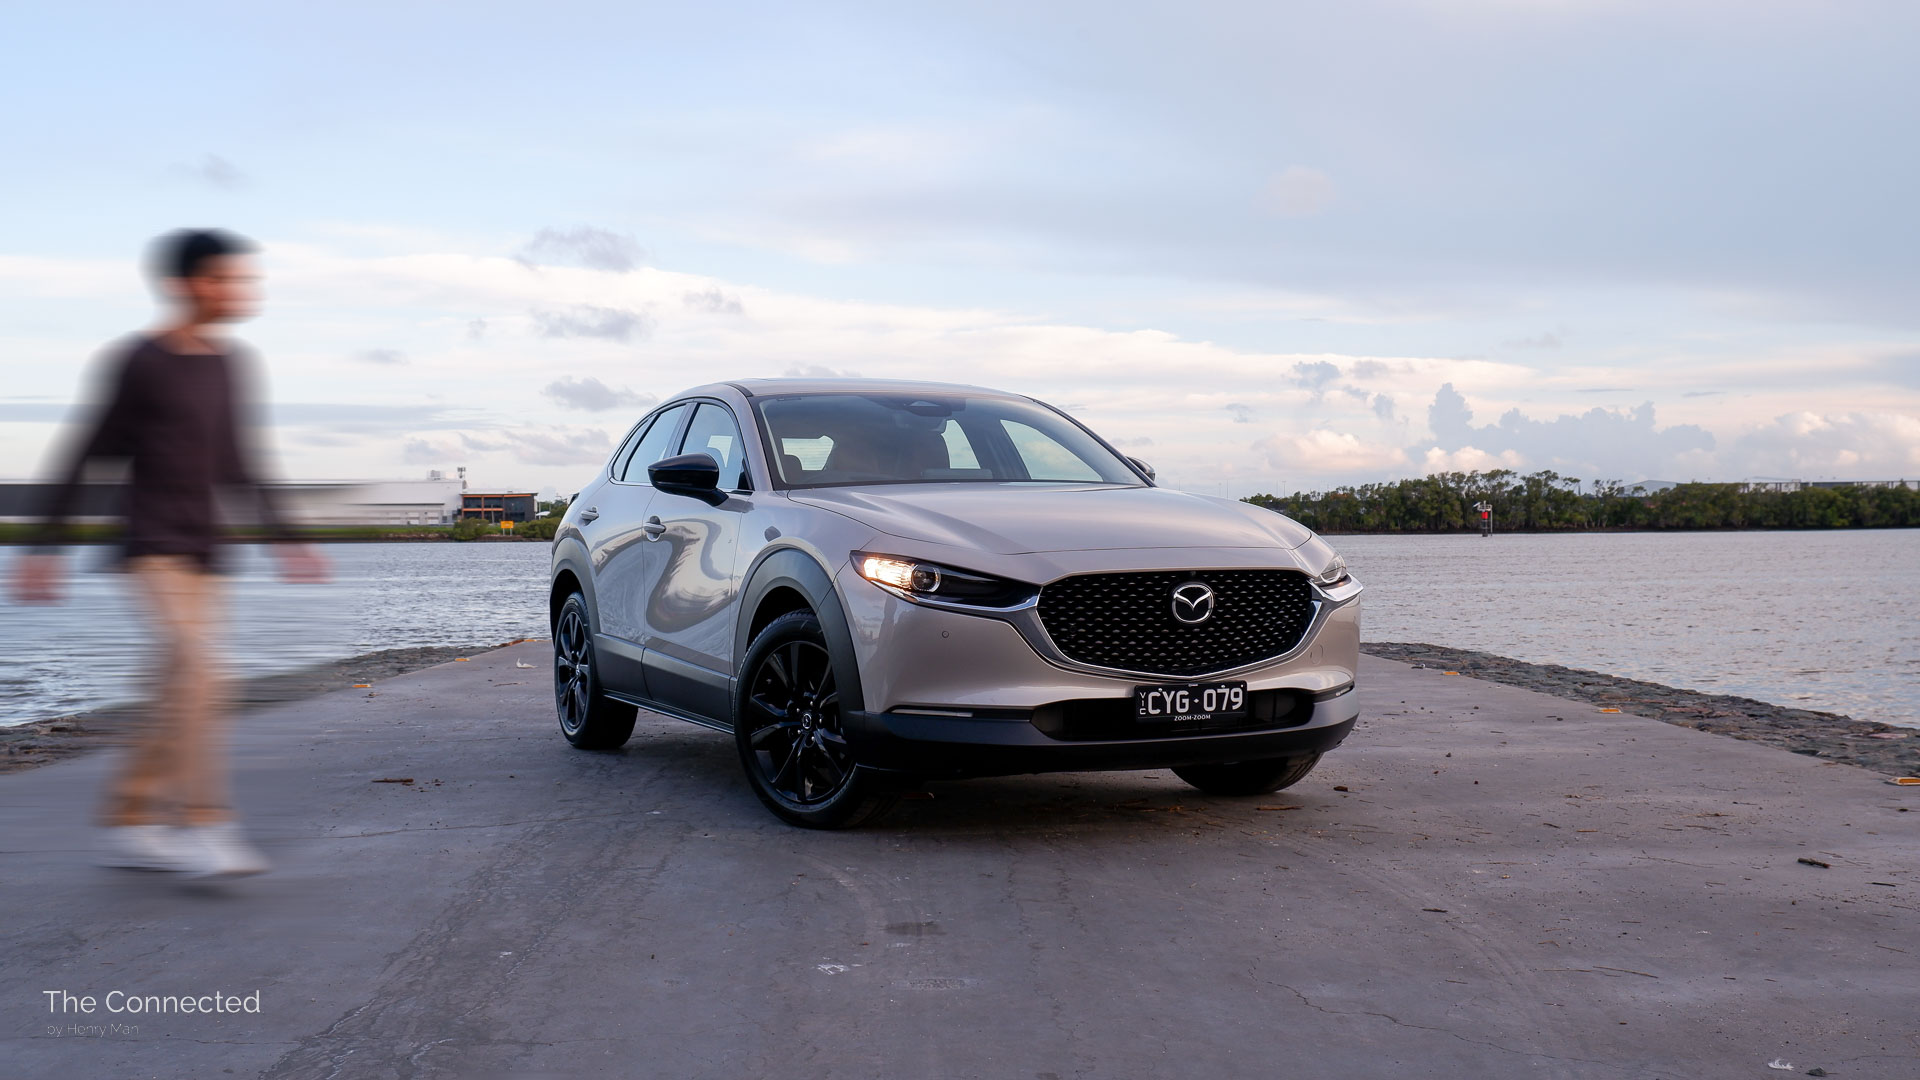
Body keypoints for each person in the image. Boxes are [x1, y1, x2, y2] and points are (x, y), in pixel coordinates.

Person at [9, 228, 329, 878]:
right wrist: (42, 545)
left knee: (173, 687)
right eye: (224, 278)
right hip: (152, 545)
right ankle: (206, 823)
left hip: (205, 550)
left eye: (240, 279)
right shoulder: (141, 361)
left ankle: (131, 817)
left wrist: (286, 537)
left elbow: (242, 460)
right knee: (200, 674)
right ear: (185, 284)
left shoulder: (227, 363)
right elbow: (89, 451)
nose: (237, 291)